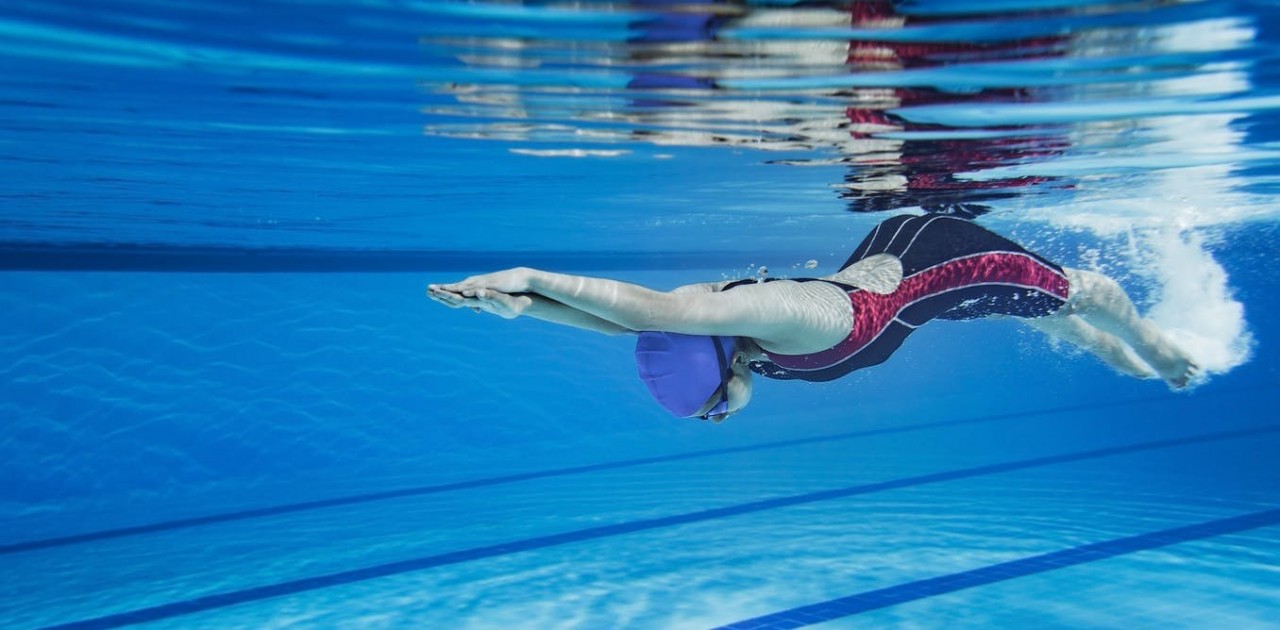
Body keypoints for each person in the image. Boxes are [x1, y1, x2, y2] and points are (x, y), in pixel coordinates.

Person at [428, 214, 1198, 422]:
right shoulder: (743, 348)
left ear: (719, 368)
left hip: (944, 259)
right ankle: (1097, 341)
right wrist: (524, 310)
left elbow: (651, 309)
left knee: (1078, 292)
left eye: (709, 412)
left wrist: (527, 272)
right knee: (1026, 312)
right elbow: (629, 327)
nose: (720, 419)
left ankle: (1154, 346)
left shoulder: (788, 319)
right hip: (917, 284)